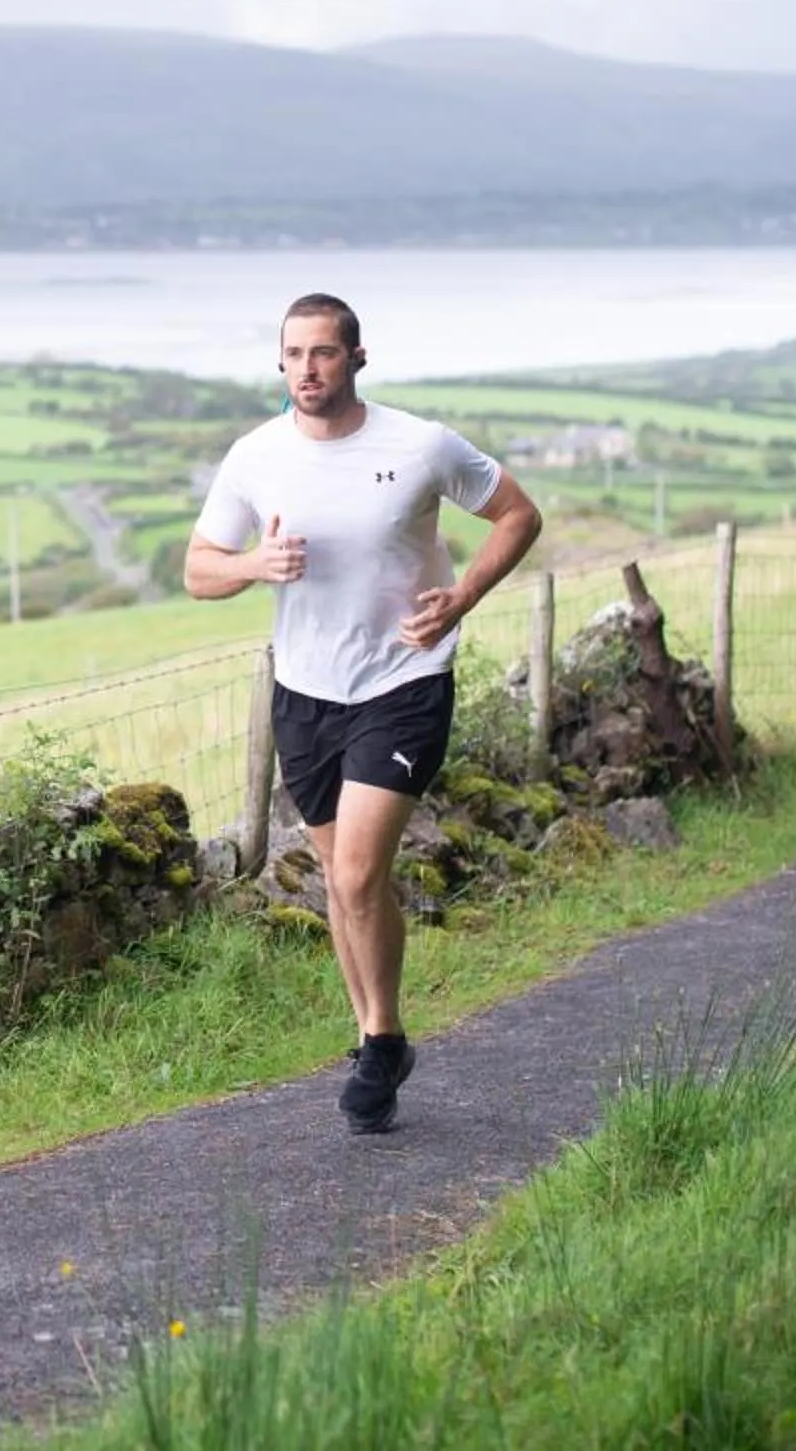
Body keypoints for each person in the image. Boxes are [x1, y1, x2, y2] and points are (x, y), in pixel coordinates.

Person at [184, 292, 542, 1134]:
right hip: (306, 693)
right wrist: (253, 565)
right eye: (293, 355)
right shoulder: (256, 456)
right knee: (343, 882)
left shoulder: (419, 445)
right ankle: (371, 1034)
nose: (307, 369)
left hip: (403, 683)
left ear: (356, 357)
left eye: (323, 352)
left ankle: (382, 1040)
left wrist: (462, 597)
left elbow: (518, 515)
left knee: (352, 876)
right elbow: (198, 569)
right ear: (280, 364)